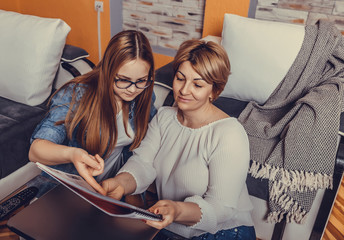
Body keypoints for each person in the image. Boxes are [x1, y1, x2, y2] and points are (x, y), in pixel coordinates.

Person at [100, 39, 256, 240]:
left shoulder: (230, 134)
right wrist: (120, 183)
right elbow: (142, 163)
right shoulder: (164, 117)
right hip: (172, 226)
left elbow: (221, 208)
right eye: (180, 78)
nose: (184, 90)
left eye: (197, 84)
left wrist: (176, 210)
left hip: (224, 232)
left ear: (214, 91)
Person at [28, 30, 157, 195]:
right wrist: (72, 154)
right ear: (108, 71)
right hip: (69, 192)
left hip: (111, 189)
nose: (132, 89)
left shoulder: (145, 95)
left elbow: (148, 146)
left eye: (141, 80)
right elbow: (36, 150)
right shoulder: (77, 94)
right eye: (123, 80)